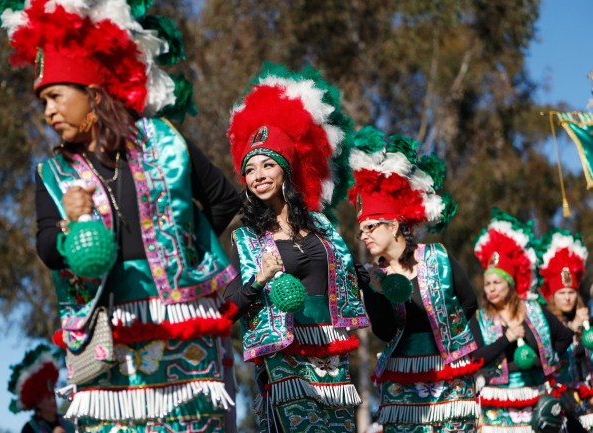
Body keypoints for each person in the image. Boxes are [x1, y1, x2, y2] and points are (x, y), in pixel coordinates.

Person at [0, 0, 241, 431]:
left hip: (178, 325)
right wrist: (69, 226)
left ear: (91, 94)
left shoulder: (163, 141)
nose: (48, 111)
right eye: (43, 102)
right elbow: (47, 248)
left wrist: (186, 251)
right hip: (105, 336)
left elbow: (224, 199)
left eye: (54, 96)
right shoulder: (53, 174)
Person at [223, 63, 369, 432]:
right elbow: (226, 309)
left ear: (286, 171)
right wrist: (260, 278)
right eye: (250, 168)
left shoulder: (323, 228)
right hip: (282, 359)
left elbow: (348, 278)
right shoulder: (246, 239)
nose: (257, 176)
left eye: (267, 165)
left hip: (332, 357)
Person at [347, 127, 481, 432]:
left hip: (450, 377)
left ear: (393, 225)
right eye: (362, 230)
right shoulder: (374, 275)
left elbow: (470, 304)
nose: (364, 236)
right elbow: (383, 330)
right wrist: (368, 287)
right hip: (401, 380)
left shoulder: (438, 258)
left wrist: (466, 353)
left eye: (371, 228)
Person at [470, 208, 574, 432]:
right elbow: (477, 358)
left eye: (497, 283)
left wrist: (548, 359)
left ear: (509, 284)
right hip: (496, 402)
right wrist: (506, 338)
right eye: (488, 285)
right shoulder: (480, 319)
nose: (491, 289)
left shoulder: (534, 310)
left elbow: (565, 336)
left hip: (537, 395)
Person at [537, 228, 591, 432]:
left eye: (571, 292)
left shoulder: (586, 320)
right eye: (562, 293)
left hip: (585, 403)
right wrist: (571, 327)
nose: (568, 298)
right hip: (557, 402)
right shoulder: (544, 321)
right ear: (552, 296)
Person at [8, 345, 75, 433]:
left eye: (53, 397)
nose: (53, 401)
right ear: (38, 404)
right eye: (48, 398)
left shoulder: (69, 422)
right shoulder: (29, 429)